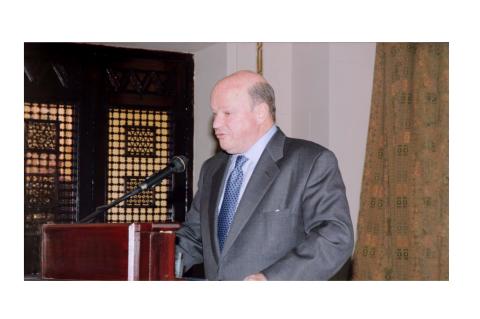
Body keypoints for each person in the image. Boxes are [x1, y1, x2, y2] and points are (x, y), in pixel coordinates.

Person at [175, 70, 354, 280]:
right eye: (215, 114)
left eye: (227, 113)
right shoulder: (212, 169)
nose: (215, 124)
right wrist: (149, 263)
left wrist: (270, 280)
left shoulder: (310, 162)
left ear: (260, 112)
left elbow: (335, 237)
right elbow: (194, 238)